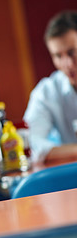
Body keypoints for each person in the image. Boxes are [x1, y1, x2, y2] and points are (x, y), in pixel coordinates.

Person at [24, 11, 77, 164]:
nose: (67, 64)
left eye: (72, 52)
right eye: (58, 56)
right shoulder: (47, 91)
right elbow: (31, 143)